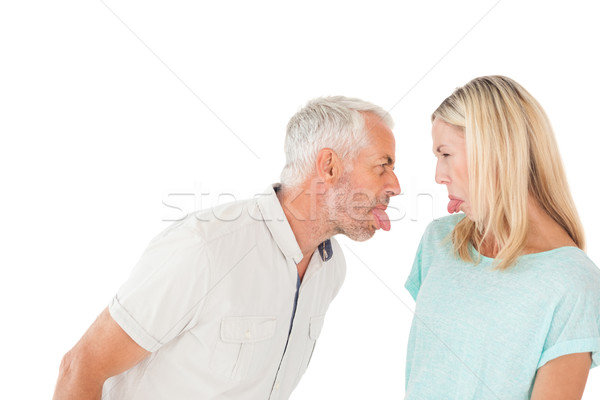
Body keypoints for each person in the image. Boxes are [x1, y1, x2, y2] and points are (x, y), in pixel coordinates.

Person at [53, 96, 401, 400]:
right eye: (383, 165)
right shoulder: (205, 248)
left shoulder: (330, 267)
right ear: (329, 166)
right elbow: (81, 368)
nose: (395, 186)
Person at [405, 76, 600, 399]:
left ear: (494, 151)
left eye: (446, 154)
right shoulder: (438, 241)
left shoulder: (574, 283)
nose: (438, 176)